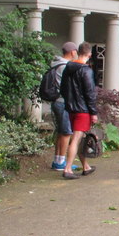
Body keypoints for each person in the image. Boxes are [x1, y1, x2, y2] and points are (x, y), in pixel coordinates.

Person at [59, 42, 99, 179]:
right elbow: (90, 93)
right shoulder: (86, 70)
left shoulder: (68, 68)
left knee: (79, 139)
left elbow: (63, 89)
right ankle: (68, 169)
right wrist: (93, 112)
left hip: (71, 108)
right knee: (76, 140)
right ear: (89, 54)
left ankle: (85, 166)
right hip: (83, 110)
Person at [50, 42, 78, 170]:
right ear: (72, 52)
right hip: (63, 102)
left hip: (56, 101)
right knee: (67, 132)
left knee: (61, 131)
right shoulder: (66, 66)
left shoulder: (55, 64)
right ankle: (62, 161)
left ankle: (57, 160)